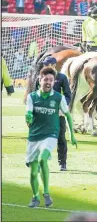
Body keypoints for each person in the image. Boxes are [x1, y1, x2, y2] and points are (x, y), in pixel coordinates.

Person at [25, 67, 77, 208]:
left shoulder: (58, 98)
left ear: (54, 82)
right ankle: (35, 197)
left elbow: (67, 115)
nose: (48, 82)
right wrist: (28, 117)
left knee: (43, 159)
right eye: (46, 79)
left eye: (51, 80)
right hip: (34, 136)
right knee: (34, 172)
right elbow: (28, 115)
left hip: (51, 135)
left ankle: (46, 193)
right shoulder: (32, 97)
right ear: (40, 80)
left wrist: (72, 135)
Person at [36, 56, 72, 171]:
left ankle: (63, 163)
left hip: (58, 113)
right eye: (44, 65)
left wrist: (63, 107)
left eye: (47, 64)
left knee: (61, 137)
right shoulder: (40, 77)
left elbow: (67, 95)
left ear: (54, 65)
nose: (45, 67)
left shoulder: (61, 77)